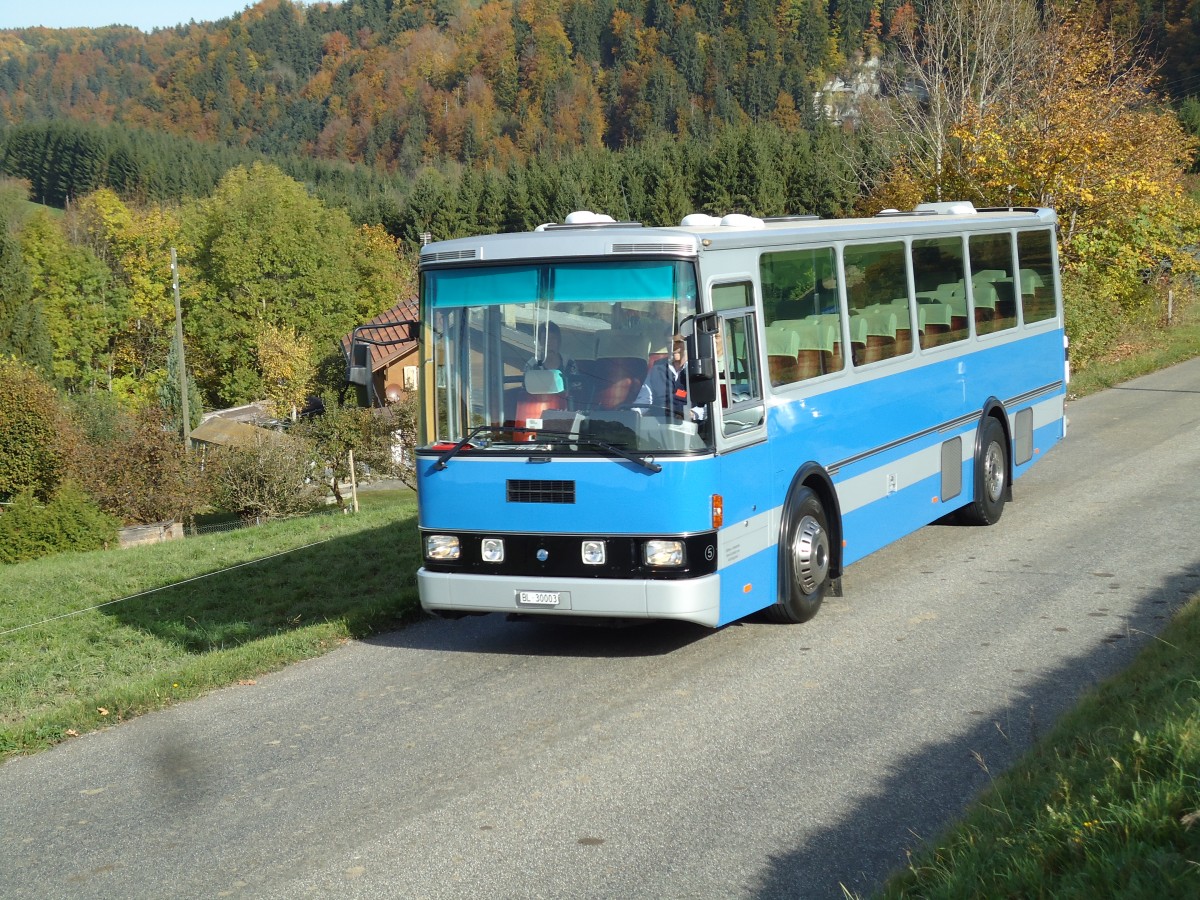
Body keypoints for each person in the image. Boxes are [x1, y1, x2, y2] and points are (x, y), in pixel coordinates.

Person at [633, 335, 691, 419]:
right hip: (660, 422)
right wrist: (633, 414)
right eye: (669, 343)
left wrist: (693, 413)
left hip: (692, 424)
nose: (673, 347)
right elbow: (645, 399)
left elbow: (710, 406)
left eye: (678, 342)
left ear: (688, 344)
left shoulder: (699, 368)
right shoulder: (657, 368)